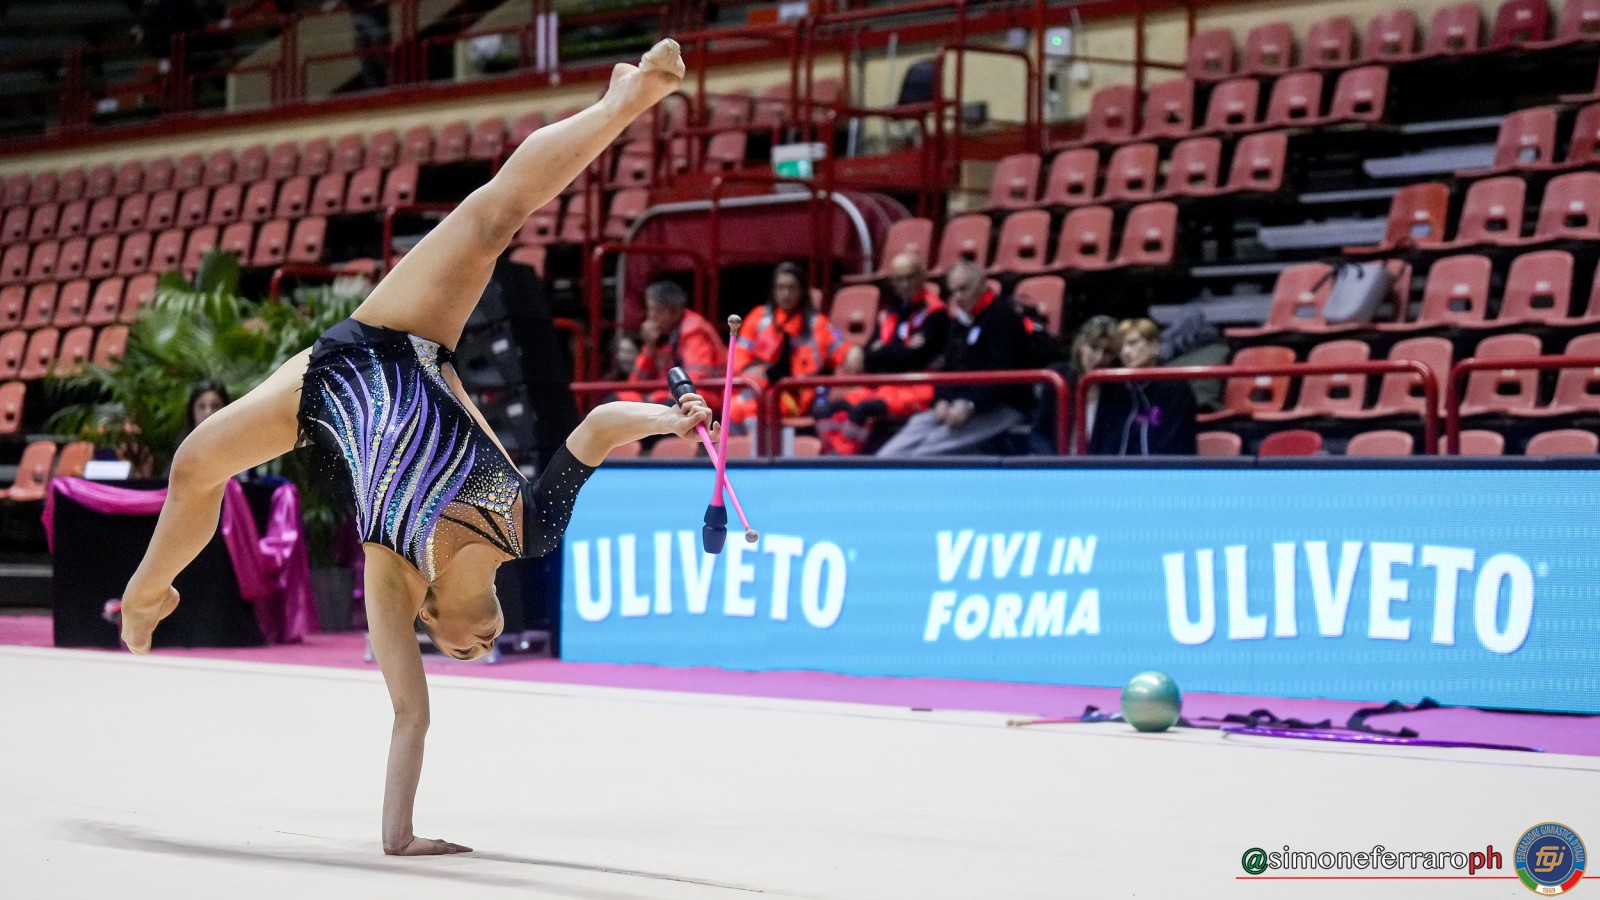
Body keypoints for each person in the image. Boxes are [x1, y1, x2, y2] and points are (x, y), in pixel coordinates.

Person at [115, 40, 703, 857]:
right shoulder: (531, 530)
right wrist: (670, 420)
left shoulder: (395, 575)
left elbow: (409, 714)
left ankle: (143, 595)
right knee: (491, 222)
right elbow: (599, 426)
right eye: (477, 650)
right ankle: (624, 102)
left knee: (191, 465)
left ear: (428, 615)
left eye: (455, 647)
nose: (475, 649)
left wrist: (397, 837)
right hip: (412, 348)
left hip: (335, 380)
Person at [875, 262, 1030, 457]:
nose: (958, 297)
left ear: (982, 285)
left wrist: (970, 404)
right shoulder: (960, 320)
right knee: (904, 438)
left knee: (928, 449)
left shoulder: (1003, 316)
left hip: (1001, 404)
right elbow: (948, 366)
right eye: (954, 291)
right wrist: (941, 400)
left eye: (964, 289)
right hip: (958, 403)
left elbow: (1001, 372)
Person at [815, 252, 949, 455]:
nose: (904, 284)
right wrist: (893, 352)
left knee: (863, 411)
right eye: (898, 279)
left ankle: (845, 461)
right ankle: (834, 456)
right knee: (828, 410)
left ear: (922, 276)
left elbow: (914, 359)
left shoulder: (935, 312)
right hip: (883, 385)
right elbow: (870, 358)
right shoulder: (888, 312)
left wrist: (884, 351)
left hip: (918, 388)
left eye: (910, 277)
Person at [727, 261, 861, 430]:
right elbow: (739, 356)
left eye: (791, 288)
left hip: (795, 396)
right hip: (758, 387)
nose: (786, 294)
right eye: (781, 288)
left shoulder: (817, 324)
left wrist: (853, 350)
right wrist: (748, 370)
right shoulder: (758, 318)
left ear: (802, 291)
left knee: (748, 410)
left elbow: (839, 349)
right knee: (732, 408)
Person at [1087, 318, 1199, 456]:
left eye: (1133, 343)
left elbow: (1178, 443)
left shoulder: (1176, 387)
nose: (1125, 351)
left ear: (1154, 347)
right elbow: (1100, 443)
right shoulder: (1113, 389)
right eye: (1120, 347)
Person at [619, 280, 727, 408]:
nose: (650, 316)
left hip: (706, 397)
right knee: (617, 401)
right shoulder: (661, 335)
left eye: (654, 310)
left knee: (668, 406)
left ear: (673, 312)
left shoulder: (694, 331)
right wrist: (649, 348)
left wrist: (655, 397)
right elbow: (635, 384)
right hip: (670, 393)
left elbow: (693, 383)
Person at [1029, 315, 1116, 455]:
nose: (1099, 358)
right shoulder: (1058, 376)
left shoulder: (1117, 388)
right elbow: (1039, 434)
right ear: (1081, 346)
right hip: (1056, 462)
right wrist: (1053, 463)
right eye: (1094, 348)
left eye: (1108, 352)